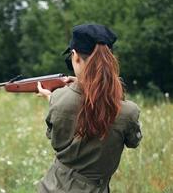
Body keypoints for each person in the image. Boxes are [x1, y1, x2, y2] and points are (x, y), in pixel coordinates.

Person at [36, 24, 142, 193]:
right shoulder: (129, 111)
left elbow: (54, 137)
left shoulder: (59, 99)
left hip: (53, 187)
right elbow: (133, 141)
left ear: (75, 56)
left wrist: (52, 98)